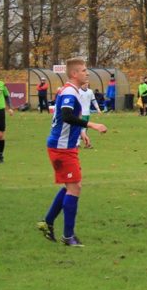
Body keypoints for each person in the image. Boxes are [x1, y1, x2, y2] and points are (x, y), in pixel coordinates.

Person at [37, 57, 108, 247]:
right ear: (75, 73)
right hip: (61, 148)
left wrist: (82, 132)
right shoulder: (69, 92)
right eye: (84, 70)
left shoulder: (71, 90)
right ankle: (68, 237)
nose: (87, 73)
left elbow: (68, 118)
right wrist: (91, 124)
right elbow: (67, 116)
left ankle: (48, 222)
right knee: (75, 188)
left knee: (71, 186)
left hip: (65, 146)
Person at [77, 81, 101, 149]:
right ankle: (85, 144)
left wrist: (98, 109)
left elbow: (93, 100)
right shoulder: (78, 91)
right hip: (81, 113)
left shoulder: (90, 91)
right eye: (84, 83)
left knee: (84, 129)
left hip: (87, 113)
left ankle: (78, 144)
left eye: (87, 83)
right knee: (83, 129)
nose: (86, 84)